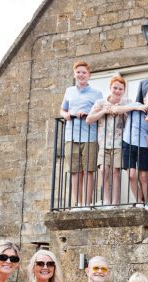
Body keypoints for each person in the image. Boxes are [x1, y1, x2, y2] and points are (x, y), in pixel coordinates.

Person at [60, 60, 103, 208]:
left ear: (89, 75)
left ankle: (86, 203)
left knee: (88, 171)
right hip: (71, 136)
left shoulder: (97, 93)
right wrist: (66, 115)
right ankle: (78, 204)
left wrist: (88, 113)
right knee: (74, 172)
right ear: (74, 74)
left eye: (84, 72)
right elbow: (62, 110)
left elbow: (99, 112)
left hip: (89, 136)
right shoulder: (69, 91)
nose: (81, 75)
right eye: (78, 72)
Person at [87, 75, 130, 206]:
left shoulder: (126, 102)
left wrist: (121, 110)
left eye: (120, 89)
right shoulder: (100, 103)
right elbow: (89, 119)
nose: (117, 91)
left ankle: (115, 202)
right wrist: (104, 111)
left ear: (124, 90)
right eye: (115, 88)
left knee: (116, 172)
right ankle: (107, 200)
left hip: (119, 143)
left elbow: (130, 119)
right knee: (103, 171)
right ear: (110, 88)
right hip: (103, 143)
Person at [121, 90, 148, 207]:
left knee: (144, 176)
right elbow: (116, 110)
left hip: (143, 146)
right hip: (128, 143)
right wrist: (136, 108)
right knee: (131, 175)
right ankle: (139, 201)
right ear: (144, 100)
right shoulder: (136, 106)